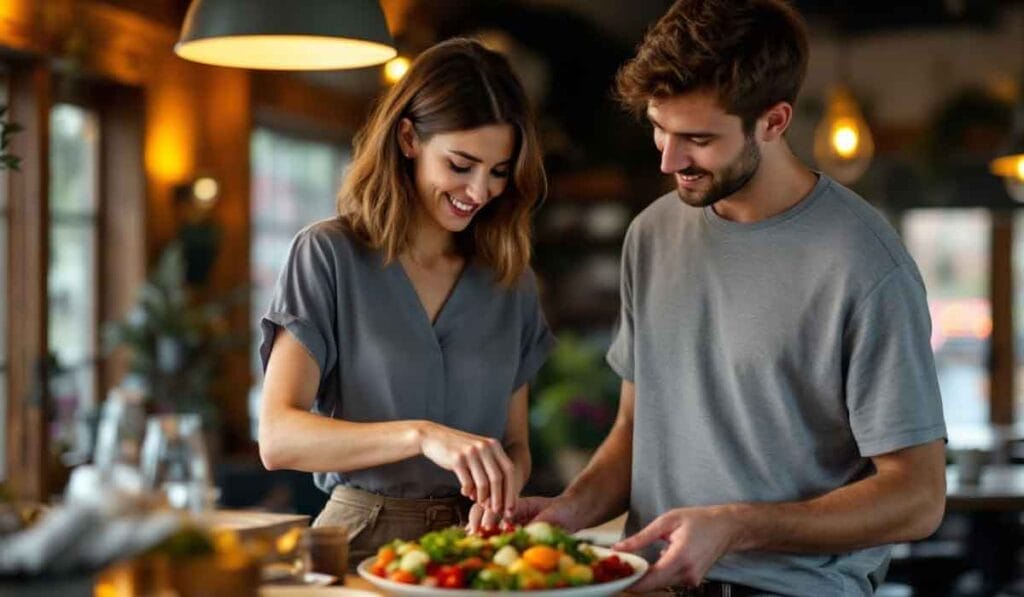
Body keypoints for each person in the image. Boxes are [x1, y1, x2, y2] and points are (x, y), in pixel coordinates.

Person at [514, 1, 947, 595]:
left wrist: (738, 527)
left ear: (773, 121)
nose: (669, 160)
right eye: (659, 129)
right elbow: (636, 428)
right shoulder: (651, 234)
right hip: (652, 584)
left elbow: (917, 499)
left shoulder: (865, 264)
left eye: (697, 138)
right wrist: (569, 509)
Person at [258, 38, 554, 568]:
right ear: (409, 138)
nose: (480, 191)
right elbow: (278, 437)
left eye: (499, 171)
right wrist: (421, 436)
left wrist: (501, 484)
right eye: (461, 165)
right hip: (357, 544)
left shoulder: (512, 281)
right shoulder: (328, 255)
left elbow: (515, 445)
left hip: (476, 551)